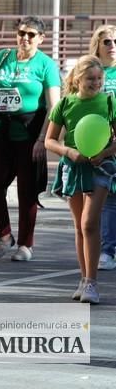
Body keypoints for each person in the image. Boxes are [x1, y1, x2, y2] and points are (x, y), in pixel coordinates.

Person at [0, 16, 60, 262]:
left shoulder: (46, 64)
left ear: (41, 39)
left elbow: (53, 106)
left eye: (31, 35)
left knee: (27, 191)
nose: (25, 38)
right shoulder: (3, 56)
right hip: (1, 129)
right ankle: (4, 235)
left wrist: (42, 139)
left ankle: (26, 243)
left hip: (29, 133)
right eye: (21, 33)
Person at [45, 56, 116, 305]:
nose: (95, 83)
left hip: (102, 167)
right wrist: (68, 152)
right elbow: (50, 140)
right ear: (77, 79)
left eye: (99, 79)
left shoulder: (109, 102)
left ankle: (93, 283)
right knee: (79, 226)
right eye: (90, 79)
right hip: (74, 166)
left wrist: (104, 153)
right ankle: (84, 279)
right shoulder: (65, 104)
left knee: (89, 223)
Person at [90, 25, 116, 271]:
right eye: (107, 41)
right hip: (99, 144)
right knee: (107, 197)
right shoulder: (92, 72)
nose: (112, 46)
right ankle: (106, 250)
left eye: (115, 41)